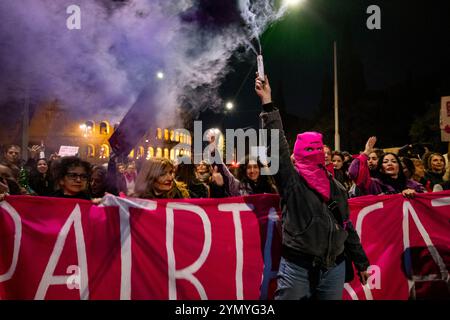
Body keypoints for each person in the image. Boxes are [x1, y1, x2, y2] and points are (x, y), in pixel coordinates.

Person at [255, 74, 369, 300]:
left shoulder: (336, 186)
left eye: (317, 149)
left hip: (334, 268)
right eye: (309, 149)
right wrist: (267, 102)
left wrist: (361, 262)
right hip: (297, 268)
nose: (315, 153)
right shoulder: (291, 180)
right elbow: (277, 148)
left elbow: (347, 226)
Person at [349, 137, 425, 197]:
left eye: (394, 161)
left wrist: (416, 194)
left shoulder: (413, 185)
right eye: (385, 162)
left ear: (399, 167)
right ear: (381, 168)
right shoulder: (374, 185)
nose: (390, 164)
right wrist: (366, 152)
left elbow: (426, 200)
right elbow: (354, 172)